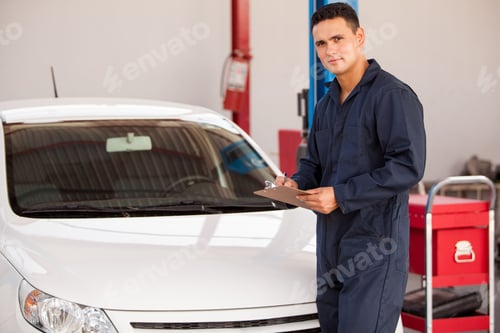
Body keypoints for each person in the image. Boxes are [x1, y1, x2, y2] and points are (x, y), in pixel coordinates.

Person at [275, 3, 426, 332]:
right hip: (330, 247)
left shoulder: (392, 96)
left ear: (359, 38)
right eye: (321, 43)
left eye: (337, 39)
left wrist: (341, 196)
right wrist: (294, 185)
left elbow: (407, 166)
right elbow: (314, 164)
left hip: (374, 247)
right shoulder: (326, 104)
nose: (329, 50)